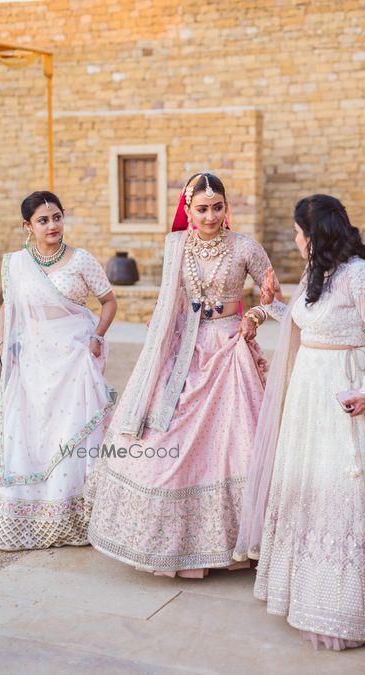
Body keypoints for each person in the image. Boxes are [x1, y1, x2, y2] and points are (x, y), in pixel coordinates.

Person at [234, 194, 365, 649]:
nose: (296, 239)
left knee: (344, 489)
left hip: (342, 390)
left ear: (315, 233)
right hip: (307, 394)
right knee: (313, 485)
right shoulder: (316, 271)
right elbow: (307, 323)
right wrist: (263, 311)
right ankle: (305, 587)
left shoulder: (360, 274)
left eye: (299, 232)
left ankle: (346, 603)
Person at [87, 172, 283, 577]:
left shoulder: (246, 247)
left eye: (217, 207)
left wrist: (256, 315)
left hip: (230, 351)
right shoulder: (176, 245)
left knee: (236, 441)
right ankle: (170, 543)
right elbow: (169, 302)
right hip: (184, 351)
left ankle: (241, 540)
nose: (210, 216)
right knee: (163, 436)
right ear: (188, 210)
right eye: (202, 209)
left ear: (226, 208)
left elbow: (276, 299)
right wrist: (161, 335)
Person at [0, 191, 117, 550]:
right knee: (29, 431)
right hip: (32, 359)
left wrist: (97, 336)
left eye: (57, 217)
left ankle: (74, 515)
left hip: (73, 358)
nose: (52, 225)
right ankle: (28, 513)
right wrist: (3, 343)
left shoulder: (81, 260)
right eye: (43, 220)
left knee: (70, 432)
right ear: (28, 226)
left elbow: (108, 301)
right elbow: (9, 306)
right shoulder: (15, 264)